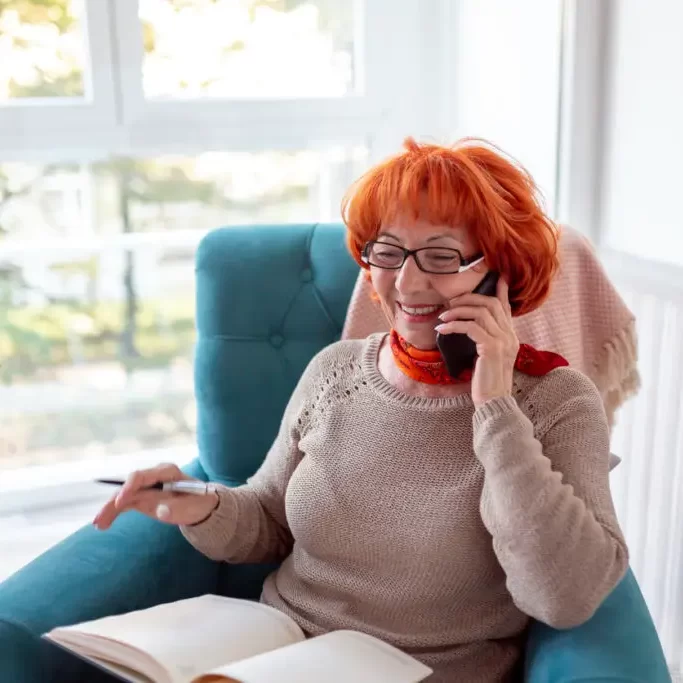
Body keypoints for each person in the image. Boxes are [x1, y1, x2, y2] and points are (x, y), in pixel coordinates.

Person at [93, 138, 629, 682]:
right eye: (388, 252)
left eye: (442, 255)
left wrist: (494, 404)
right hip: (272, 654)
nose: (407, 282)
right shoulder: (336, 370)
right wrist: (197, 505)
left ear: (500, 273)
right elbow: (268, 518)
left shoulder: (557, 401)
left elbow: (564, 598)